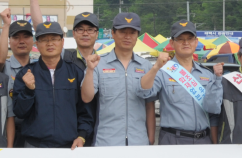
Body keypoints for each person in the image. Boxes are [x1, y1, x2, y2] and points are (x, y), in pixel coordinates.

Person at [11, 21, 93, 149]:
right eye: (44, 40)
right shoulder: (26, 74)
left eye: (54, 39)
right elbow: (19, 112)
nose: (50, 43)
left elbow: (86, 111)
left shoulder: (75, 72)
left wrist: (82, 136)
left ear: (62, 42)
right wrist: (29, 90)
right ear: (37, 44)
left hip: (70, 146)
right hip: (34, 146)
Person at [140, 20, 223, 145]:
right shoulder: (163, 72)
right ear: (172, 43)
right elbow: (144, 93)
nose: (186, 43)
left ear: (196, 42)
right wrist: (156, 67)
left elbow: (214, 113)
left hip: (203, 140)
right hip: (173, 139)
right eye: (180, 39)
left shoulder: (208, 74)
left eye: (190, 39)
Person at [81, 12, 155, 146]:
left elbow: (149, 105)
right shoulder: (98, 63)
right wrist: (90, 70)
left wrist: (151, 137)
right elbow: (86, 97)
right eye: (122, 32)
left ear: (137, 36)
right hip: (107, 141)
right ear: (113, 33)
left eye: (132, 32)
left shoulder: (146, 66)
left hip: (138, 141)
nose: (127, 36)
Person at [0, 11, 36, 147]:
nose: (21, 41)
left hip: (34, 132)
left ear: (33, 40)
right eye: (16, 37)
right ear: (9, 42)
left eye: (26, 37)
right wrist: (6, 25)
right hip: (7, 131)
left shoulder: (39, 67)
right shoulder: (3, 67)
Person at [64, 12, 101, 144]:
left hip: (100, 132)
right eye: (80, 29)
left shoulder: (105, 63)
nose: (85, 33)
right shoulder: (63, 60)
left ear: (97, 34)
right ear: (74, 33)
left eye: (90, 29)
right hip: (71, 132)